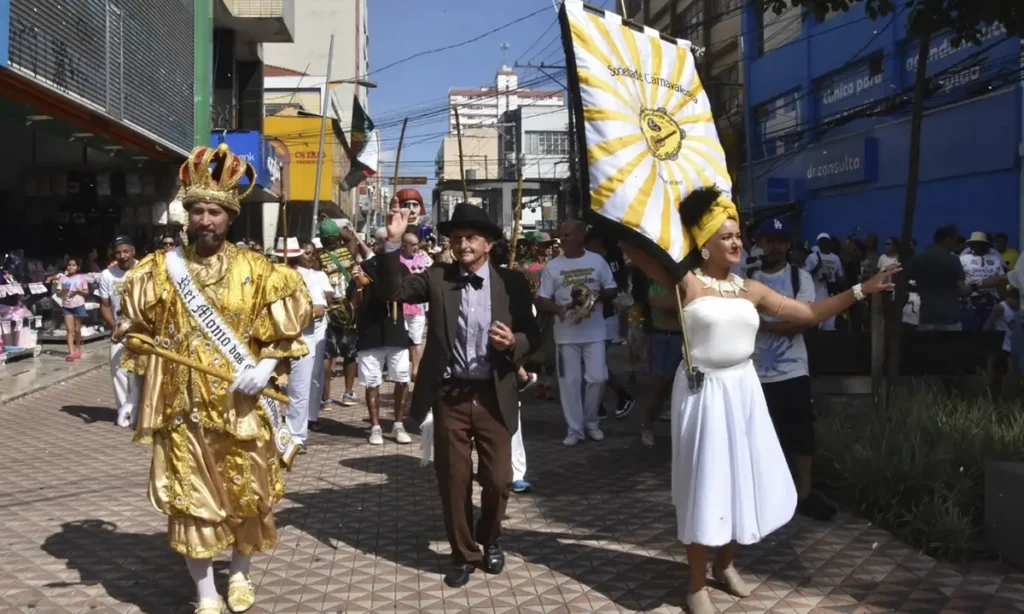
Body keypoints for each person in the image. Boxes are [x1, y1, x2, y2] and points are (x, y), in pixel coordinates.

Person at [620, 188, 896, 614]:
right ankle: (695, 584)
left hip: (744, 389)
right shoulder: (686, 282)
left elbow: (807, 314)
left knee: (738, 480)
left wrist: (863, 289)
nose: (736, 243)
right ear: (704, 242)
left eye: (738, 236)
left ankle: (726, 565)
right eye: (725, 236)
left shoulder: (751, 288)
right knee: (704, 484)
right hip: (703, 394)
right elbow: (633, 247)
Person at [113, 143, 312, 614]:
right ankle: (205, 593)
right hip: (184, 407)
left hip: (243, 406)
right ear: (188, 215)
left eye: (215, 212)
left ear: (230, 217)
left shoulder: (260, 271)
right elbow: (138, 329)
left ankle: (240, 573)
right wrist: (130, 332)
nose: (206, 220)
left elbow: (283, 332)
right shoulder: (158, 271)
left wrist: (264, 367)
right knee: (193, 500)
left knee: (250, 493)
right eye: (198, 210)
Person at [377, 201, 540, 588]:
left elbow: (536, 337)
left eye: (472, 238)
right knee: (453, 479)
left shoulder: (512, 282)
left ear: (488, 244)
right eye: (457, 238)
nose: (463, 244)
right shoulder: (437, 277)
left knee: (499, 480)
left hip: (494, 394)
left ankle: (490, 538)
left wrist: (513, 342)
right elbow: (394, 290)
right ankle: (463, 554)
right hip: (449, 394)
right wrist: (391, 244)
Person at [749, 218, 836, 521]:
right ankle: (765, 494)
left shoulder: (801, 278)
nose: (775, 246)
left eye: (781, 240)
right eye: (769, 240)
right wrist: (783, 323)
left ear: (789, 244)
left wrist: (762, 323)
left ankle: (804, 494)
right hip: (753, 372)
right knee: (759, 436)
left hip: (793, 370)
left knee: (801, 435)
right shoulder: (748, 278)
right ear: (758, 243)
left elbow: (805, 320)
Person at [536, 220, 618, 446]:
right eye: (562, 235)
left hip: (594, 331)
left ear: (581, 236)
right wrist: (558, 309)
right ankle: (575, 429)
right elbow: (542, 299)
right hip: (565, 335)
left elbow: (612, 288)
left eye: (568, 234)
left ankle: (591, 422)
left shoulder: (596, 261)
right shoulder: (554, 266)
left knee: (598, 378)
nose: (563, 239)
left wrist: (595, 296)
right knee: (569, 381)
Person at [350, 252, 413, 446]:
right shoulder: (363, 268)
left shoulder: (401, 268)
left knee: (402, 379)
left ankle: (398, 424)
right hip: (371, 333)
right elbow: (354, 303)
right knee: (372, 381)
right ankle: (376, 427)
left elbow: (410, 295)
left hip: (396, 333)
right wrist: (358, 286)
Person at [278, 237, 330, 450]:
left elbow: (319, 308)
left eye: (291, 256)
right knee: (271, 388)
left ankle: (296, 437)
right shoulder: (268, 275)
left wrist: (292, 316)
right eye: (283, 256)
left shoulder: (311, 276)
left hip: (303, 338)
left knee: (299, 391)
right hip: (273, 340)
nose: (288, 260)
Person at [317, 219, 370, 409]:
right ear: (337, 238)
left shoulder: (318, 258)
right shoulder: (348, 252)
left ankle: (327, 399)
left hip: (328, 310)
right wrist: (342, 231)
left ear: (322, 240)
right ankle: (348, 393)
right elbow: (352, 238)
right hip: (348, 308)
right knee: (350, 353)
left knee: (327, 355)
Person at [905, 225, 972, 331]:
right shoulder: (953, 260)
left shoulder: (919, 259)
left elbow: (900, 281)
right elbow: (963, 290)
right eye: (956, 240)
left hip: (927, 317)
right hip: (950, 319)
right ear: (947, 239)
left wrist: (919, 289)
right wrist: (980, 285)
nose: (957, 243)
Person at [97, 236, 138, 408]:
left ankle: (141, 409)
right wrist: (114, 327)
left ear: (132, 251)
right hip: (119, 329)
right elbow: (104, 305)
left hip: (142, 329)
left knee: (141, 372)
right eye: (118, 253)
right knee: (118, 370)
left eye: (125, 251)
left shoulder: (144, 269)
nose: (122, 256)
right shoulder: (107, 275)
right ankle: (124, 411)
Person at [959, 231, 1005, 331]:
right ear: (971, 245)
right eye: (976, 243)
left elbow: (1002, 279)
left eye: (982, 243)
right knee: (971, 335)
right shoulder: (963, 259)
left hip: (991, 303)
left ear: (987, 245)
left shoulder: (995, 259)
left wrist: (1002, 300)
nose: (979, 246)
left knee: (990, 336)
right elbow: (958, 279)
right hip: (970, 303)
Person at [399, 232, 430, 380]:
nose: (416, 247)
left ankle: (415, 370)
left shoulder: (423, 258)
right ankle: (402, 369)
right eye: (413, 245)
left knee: (416, 340)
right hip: (400, 308)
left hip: (418, 309)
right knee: (403, 340)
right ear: (404, 245)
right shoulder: (397, 260)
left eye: (417, 244)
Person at [803, 233, 844, 330]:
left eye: (825, 241)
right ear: (818, 243)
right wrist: (815, 269)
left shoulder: (835, 258)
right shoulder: (812, 257)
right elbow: (804, 274)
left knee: (829, 322)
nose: (823, 244)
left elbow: (840, 275)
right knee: (814, 321)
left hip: (830, 293)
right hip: (816, 293)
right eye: (821, 241)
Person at [56, 257, 89, 361]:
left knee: (77, 329)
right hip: (66, 306)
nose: (71, 267)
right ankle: (71, 352)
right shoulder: (63, 278)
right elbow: (58, 293)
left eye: (74, 265)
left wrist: (79, 291)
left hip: (78, 305)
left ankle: (78, 347)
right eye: (69, 265)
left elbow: (86, 292)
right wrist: (64, 291)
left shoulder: (82, 278)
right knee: (69, 330)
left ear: (77, 267)